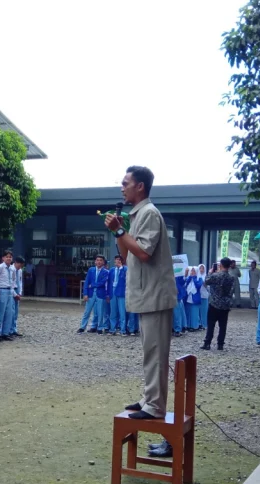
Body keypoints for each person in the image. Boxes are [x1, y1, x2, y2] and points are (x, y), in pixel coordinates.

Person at [103, 166, 178, 448]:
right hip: (147, 295)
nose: (121, 188)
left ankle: (155, 405)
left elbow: (144, 253)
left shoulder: (149, 213)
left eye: (126, 183)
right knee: (150, 351)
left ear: (140, 187)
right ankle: (149, 398)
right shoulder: (138, 215)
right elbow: (127, 254)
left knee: (156, 352)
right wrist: (118, 232)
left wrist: (120, 229)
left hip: (155, 295)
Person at [201, 258, 236, 351]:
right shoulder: (231, 278)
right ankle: (220, 344)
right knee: (223, 326)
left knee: (211, 325)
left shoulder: (215, 276)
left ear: (220, 265)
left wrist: (210, 273)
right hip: (225, 304)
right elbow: (231, 291)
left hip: (214, 303)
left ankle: (207, 343)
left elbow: (206, 281)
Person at [77, 255, 109, 334]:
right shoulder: (91, 270)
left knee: (100, 312)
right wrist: (85, 293)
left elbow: (102, 283)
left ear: (103, 262)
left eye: (100, 260)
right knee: (87, 311)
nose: (99, 262)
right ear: (95, 261)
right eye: (97, 260)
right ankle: (82, 327)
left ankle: (100, 328)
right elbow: (87, 282)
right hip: (90, 294)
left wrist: (92, 285)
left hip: (100, 294)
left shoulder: (105, 272)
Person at [0, 250, 15, 340]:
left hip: (9, 291)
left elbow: (13, 280)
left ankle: (5, 332)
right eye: (7, 257)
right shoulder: (0, 267)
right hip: (1, 290)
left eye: (10, 257)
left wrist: (13, 291)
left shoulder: (12, 268)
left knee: (9, 313)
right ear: (3, 258)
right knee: (0, 313)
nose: (9, 258)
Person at [109, 255, 128, 335]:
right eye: (116, 259)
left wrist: (121, 268)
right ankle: (112, 329)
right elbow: (109, 282)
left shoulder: (125, 269)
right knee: (113, 311)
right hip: (113, 290)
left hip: (121, 291)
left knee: (122, 311)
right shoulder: (112, 270)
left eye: (119, 260)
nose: (117, 261)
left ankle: (123, 330)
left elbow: (126, 279)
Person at [183, 266, 202, 332]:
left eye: (194, 271)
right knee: (188, 312)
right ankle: (188, 326)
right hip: (188, 298)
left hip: (195, 298)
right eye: (191, 271)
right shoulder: (189, 278)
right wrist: (189, 277)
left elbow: (198, 286)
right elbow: (185, 284)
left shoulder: (199, 278)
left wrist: (194, 278)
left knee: (194, 313)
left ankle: (195, 326)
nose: (192, 272)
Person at [11, 255, 25, 337]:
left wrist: (20, 292)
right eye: (19, 265)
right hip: (12, 290)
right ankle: (9, 329)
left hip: (17, 289)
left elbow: (20, 281)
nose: (20, 267)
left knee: (16, 312)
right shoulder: (11, 269)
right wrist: (15, 294)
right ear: (16, 262)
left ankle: (14, 329)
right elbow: (10, 283)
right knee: (11, 311)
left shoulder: (19, 270)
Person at [172, 271, 186, 336]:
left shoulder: (178, 274)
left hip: (177, 296)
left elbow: (182, 282)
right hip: (170, 296)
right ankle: (175, 328)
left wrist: (185, 275)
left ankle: (177, 329)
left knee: (177, 313)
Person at [197, 263, 208, 330]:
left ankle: (204, 324)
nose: (201, 270)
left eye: (202, 268)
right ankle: (199, 324)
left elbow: (208, 286)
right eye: (200, 268)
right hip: (197, 295)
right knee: (198, 311)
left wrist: (204, 283)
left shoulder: (206, 276)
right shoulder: (196, 276)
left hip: (204, 295)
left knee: (204, 311)